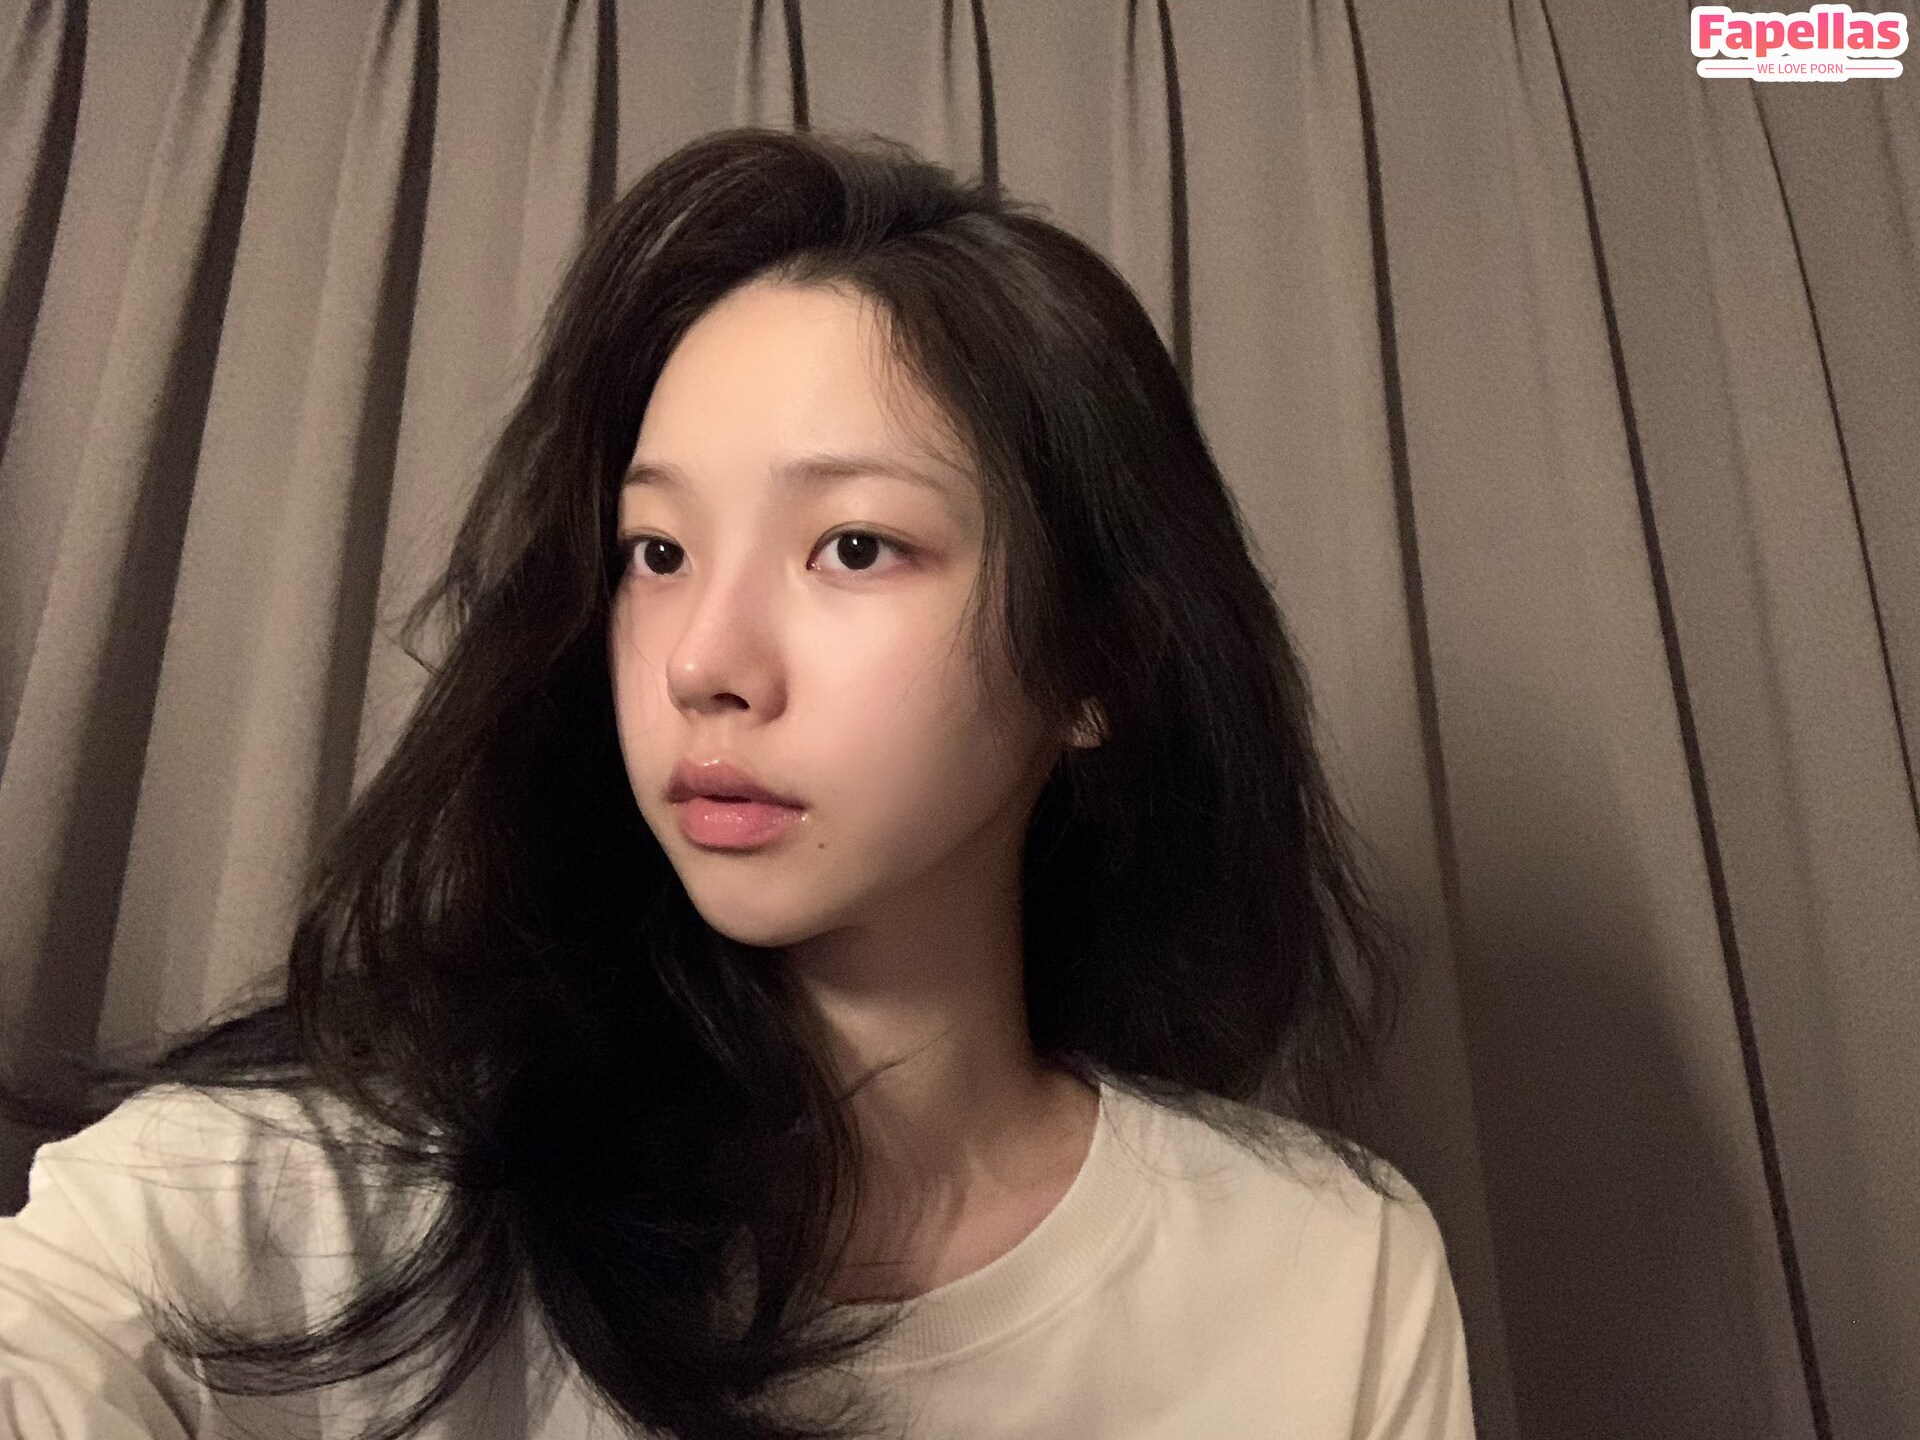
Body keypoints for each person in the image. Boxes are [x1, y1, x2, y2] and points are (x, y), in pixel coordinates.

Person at [0, 126, 1475, 1439]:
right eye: (657, 552)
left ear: (1098, 664)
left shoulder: (1325, 1276)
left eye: (853, 546)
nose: (705, 660)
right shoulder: (257, 1213)